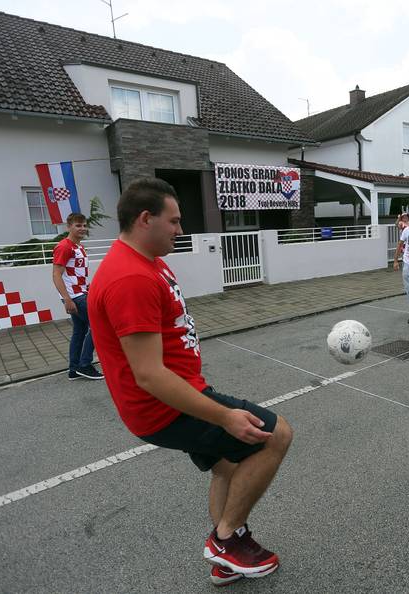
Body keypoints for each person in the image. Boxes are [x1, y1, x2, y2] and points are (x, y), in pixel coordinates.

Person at [88, 178, 293, 585]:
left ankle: (226, 556)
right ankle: (226, 540)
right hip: (163, 408)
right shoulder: (130, 277)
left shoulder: (149, 262)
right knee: (275, 435)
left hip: (176, 396)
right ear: (145, 219)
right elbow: (147, 374)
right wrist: (224, 416)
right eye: (174, 221)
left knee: (229, 466)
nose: (180, 230)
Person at [52, 212, 103, 380]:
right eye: (78, 225)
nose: (82, 228)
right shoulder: (64, 246)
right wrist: (67, 299)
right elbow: (56, 274)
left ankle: (74, 369)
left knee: (80, 331)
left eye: (84, 225)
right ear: (69, 227)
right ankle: (85, 365)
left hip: (80, 293)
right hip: (75, 297)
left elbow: (75, 273)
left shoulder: (78, 247)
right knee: (99, 325)